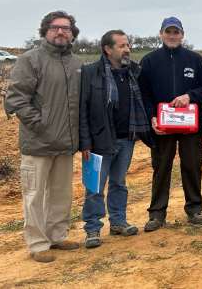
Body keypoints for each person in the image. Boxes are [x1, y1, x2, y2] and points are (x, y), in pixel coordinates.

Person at [5, 11, 82, 262]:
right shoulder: (30, 60)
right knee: (35, 194)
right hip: (38, 142)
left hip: (66, 143)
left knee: (61, 193)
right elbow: (17, 98)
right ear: (45, 31)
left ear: (73, 33)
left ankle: (57, 236)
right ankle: (38, 243)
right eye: (55, 27)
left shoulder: (76, 64)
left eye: (66, 28)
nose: (61, 32)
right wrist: (40, 125)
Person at [139, 17, 202, 232]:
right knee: (161, 167)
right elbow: (143, 95)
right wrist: (151, 117)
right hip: (162, 128)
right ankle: (157, 213)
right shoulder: (149, 61)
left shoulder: (195, 60)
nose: (172, 36)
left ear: (182, 35)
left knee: (192, 166)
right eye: (168, 32)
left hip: (190, 127)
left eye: (176, 32)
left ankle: (195, 209)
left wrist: (190, 96)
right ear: (161, 34)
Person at [79, 30, 151, 248]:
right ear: (107, 49)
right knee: (94, 187)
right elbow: (82, 109)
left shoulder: (133, 72)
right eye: (121, 46)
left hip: (126, 139)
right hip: (99, 141)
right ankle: (92, 229)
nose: (127, 49)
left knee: (119, 183)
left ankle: (118, 221)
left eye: (127, 44)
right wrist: (85, 142)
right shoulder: (91, 72)